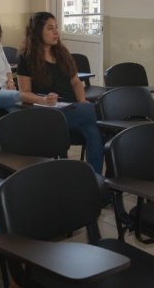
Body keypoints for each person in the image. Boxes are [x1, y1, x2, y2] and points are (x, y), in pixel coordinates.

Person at [16, 12, 104, 174]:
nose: (56, 32)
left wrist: (83, 100)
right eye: (50, 28)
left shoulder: (62, 53)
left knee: (93, 131)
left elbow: (76, 82)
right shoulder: (26, 57)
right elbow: (23, 93)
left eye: (57, 27)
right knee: (96, 112)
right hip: (48, 113)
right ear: (37, 32)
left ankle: (95, 180)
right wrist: (43, 101)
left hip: (73, 109)